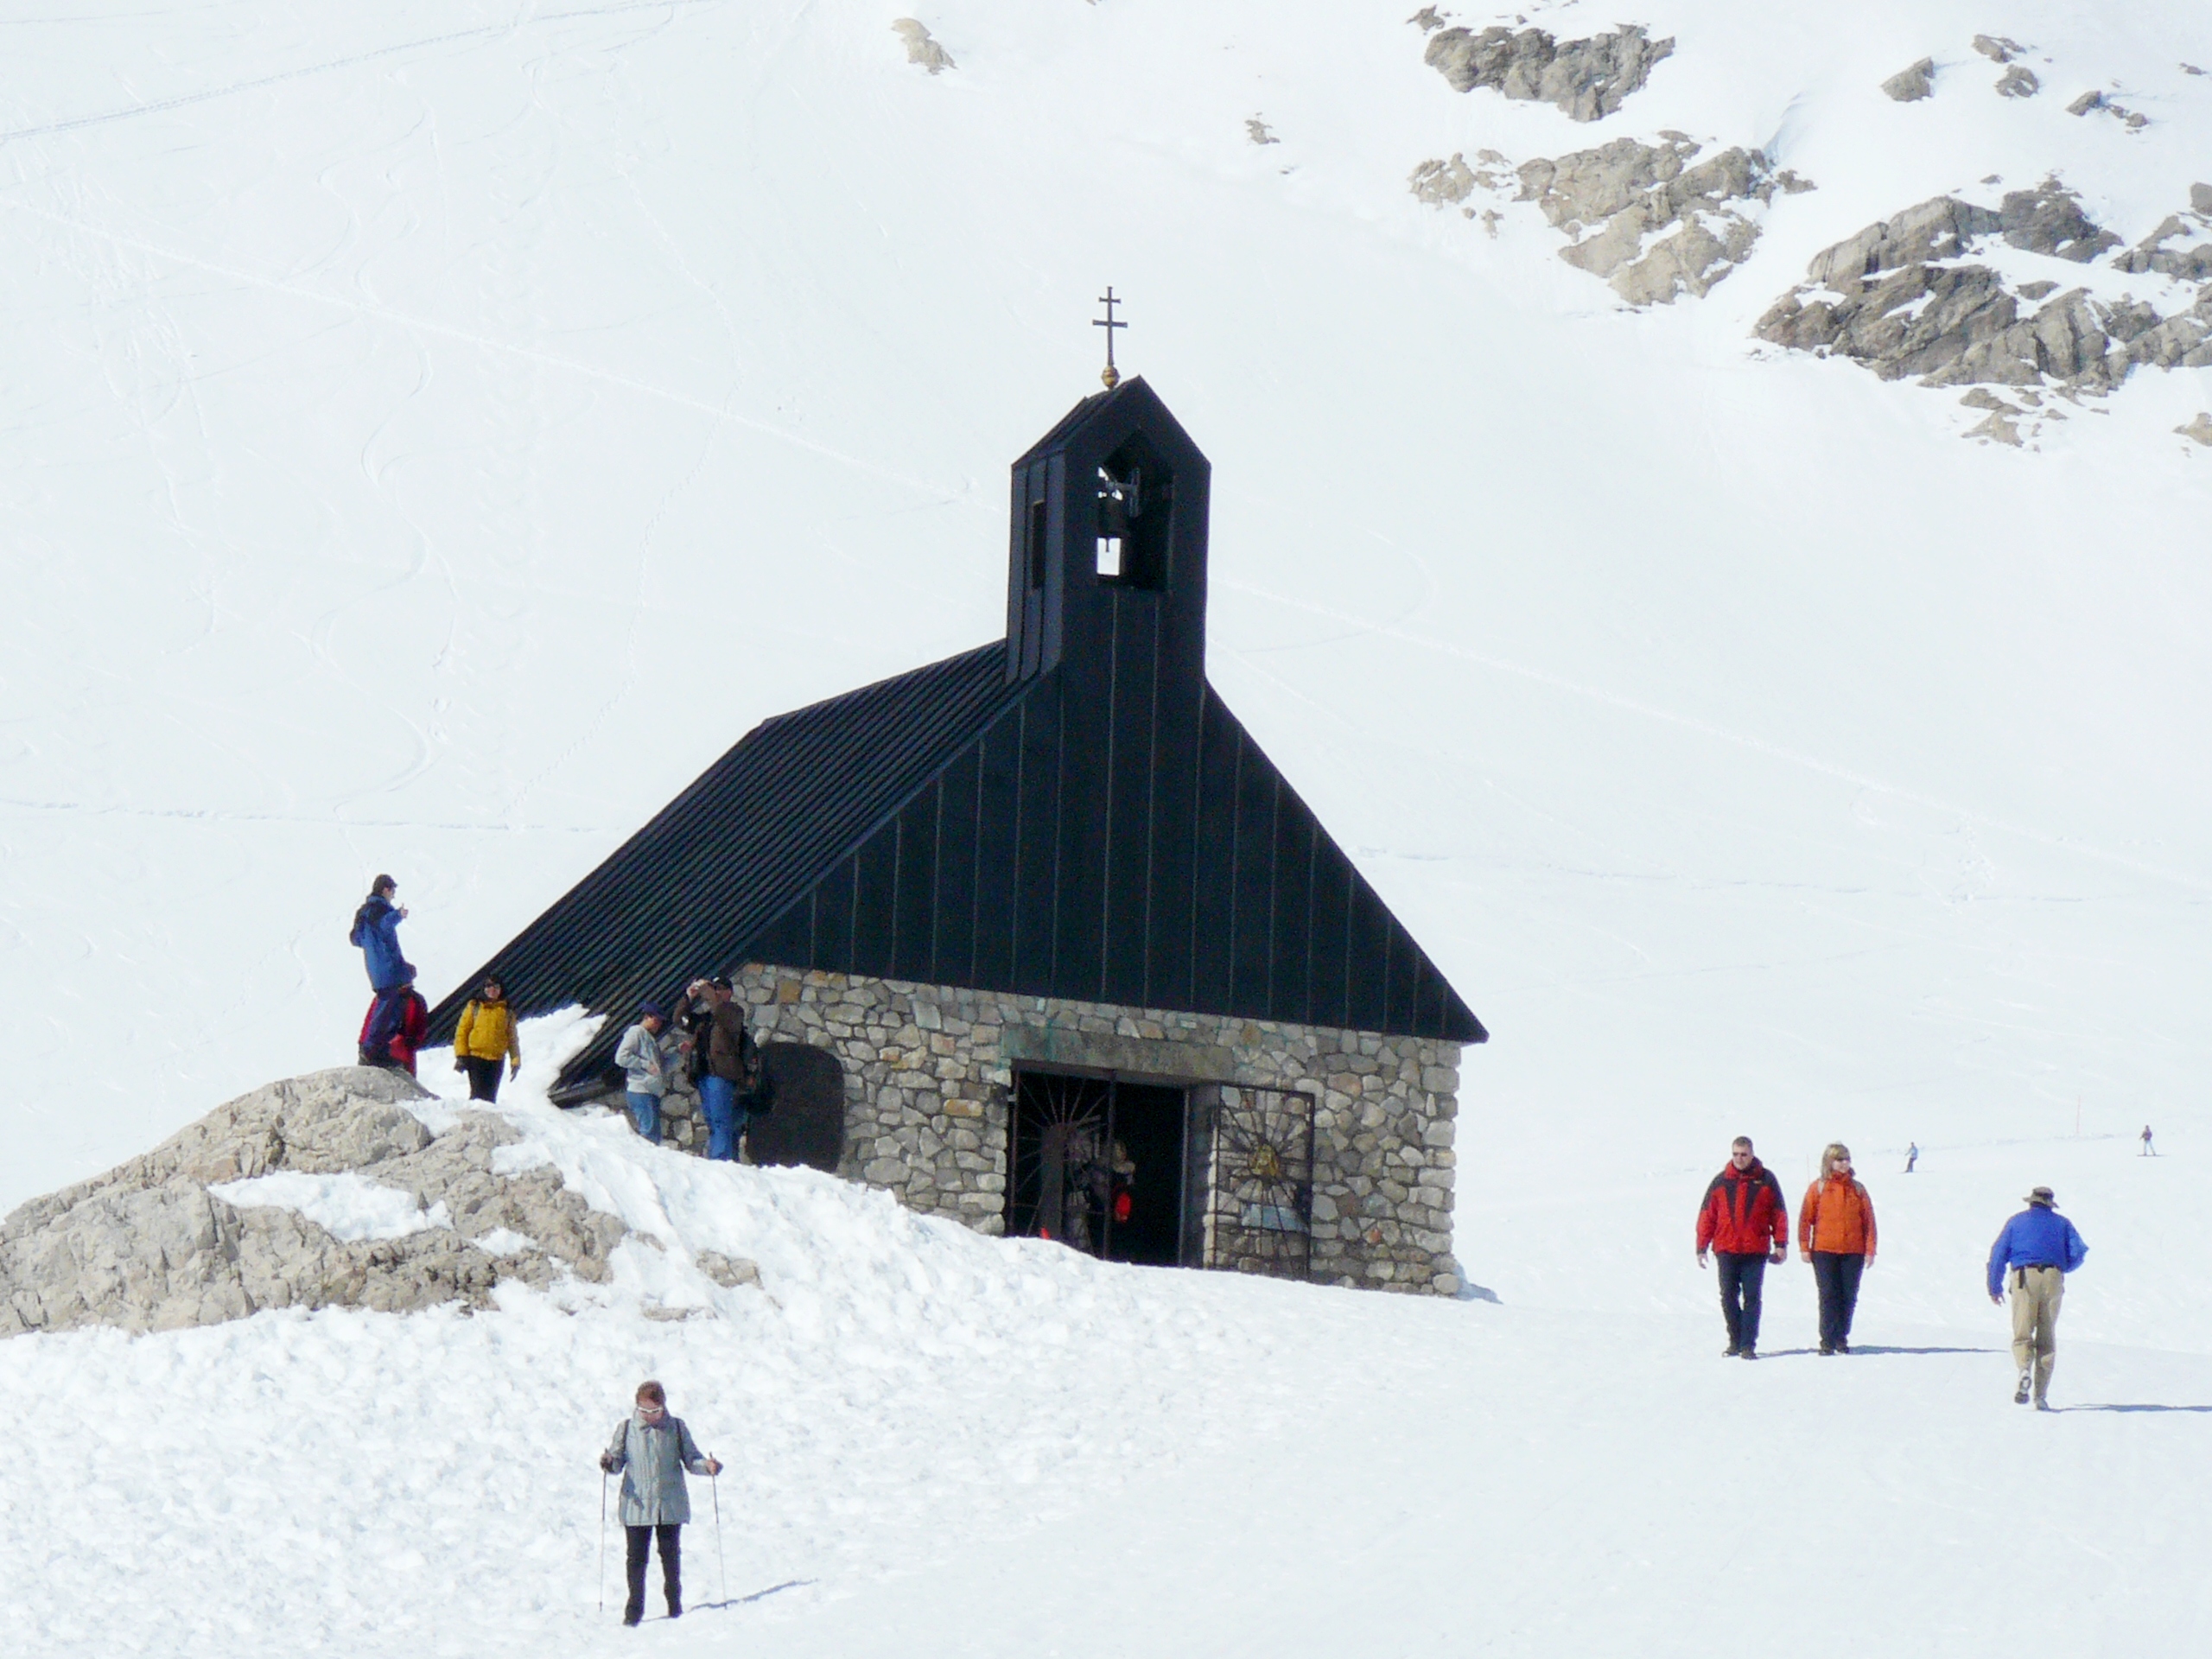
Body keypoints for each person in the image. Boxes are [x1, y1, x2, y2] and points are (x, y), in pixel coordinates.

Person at [598, 1381, 721, 1626]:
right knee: (636, 1560)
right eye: (644, 1410)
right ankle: (633, 1614)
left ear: (663, 1407)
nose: (650, 1416)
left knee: (671, 1556)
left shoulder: (676, 1428)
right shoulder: (626, 1429)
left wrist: (707, 1467)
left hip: (669, 1504)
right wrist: (608, 1462)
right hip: (637, 1506)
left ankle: (675, 1607)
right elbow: (617, 1461)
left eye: (655, 1411)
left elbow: (692, 1459)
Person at [1986, 1185, 2088, 1410]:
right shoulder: (2063, 1223)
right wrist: (2061, 1267)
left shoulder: (2016, 1222)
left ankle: (2024, 1368)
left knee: (2023, 1332)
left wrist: (1994, 1286)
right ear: (2050, 1204)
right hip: (2053, 1277)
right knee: (2046, 1335)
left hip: (2024, 1276)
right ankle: (2040, 1395)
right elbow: (2079, 1251)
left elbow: (1998, 1254)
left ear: (2031, 1202)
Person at [1694, 1136, 1789, 1359]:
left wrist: (1781, 1244)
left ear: (1752, 1154)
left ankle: (1748, 1344)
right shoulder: (1720, 1182)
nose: (1739, 1159)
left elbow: (1779, 1214)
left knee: (1752, 1297)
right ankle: (1734, 1340)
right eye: (1735, 1154)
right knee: (1728, 1296)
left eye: (1744, 1154)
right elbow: (1707, 1216)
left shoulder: (1766, 1180)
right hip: (1726, 1249)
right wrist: (1701, 1247)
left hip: (1755, 1250)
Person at [1800, 1142, 1877, 1355]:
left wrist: (1870, 1249)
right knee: (1828, 1294)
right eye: (1839, 1159)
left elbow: (1869, 1221)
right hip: (1824, 1250)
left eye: (1847, 1159)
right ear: (1829, 1162)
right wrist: (1805, 1246)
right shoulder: (1818, 1188)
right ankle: (1827, 1339)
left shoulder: (1858, 1189)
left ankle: (1841, 1336)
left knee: (1848, 1295)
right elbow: (1806, 1218)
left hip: (1853, 1251)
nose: (1844, 1163)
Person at [692, 976, 757, 1162]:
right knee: (712, 1120)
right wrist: (688, 999)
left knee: (721, 1120)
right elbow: (681, 1020)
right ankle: (718, 1156)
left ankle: (721, 1159)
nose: (716, 992)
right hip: (705, 1073)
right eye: (714, 989)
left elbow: (720, 1009)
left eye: (719, 989)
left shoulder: (733, 1012)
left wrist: (706, 991)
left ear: (729, 992)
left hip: (721, 1074)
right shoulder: (710, 1017)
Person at [451, 976, 521, 1103]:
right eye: (488, 987)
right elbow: (462, 1032)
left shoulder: (507, 1011)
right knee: (477, 1096)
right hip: (476, 1058)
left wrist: (515, 1061)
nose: (492, 990)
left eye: (496, 987)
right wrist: (461, 1055)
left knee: (490, 1098)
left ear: (501, 990)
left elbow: (512, 1039)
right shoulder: (475, 1007)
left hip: (496, 1060)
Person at [614, 1003, 671, 1142]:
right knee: (649, 1134)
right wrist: (644, 1064)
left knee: (654, 1133)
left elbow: (660, 1067)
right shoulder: (636, 1032)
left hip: (651, 1091)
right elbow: (621, 1057)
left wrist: (678, 1052)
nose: (659, 1025)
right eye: (656, 1020)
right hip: (641, 1090)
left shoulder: (649, 1038)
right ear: (648, 1017)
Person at [348, 875, 414, 993]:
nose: (393, 896)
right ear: (385, 890)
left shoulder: (362, 913)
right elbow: (384, 924)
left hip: (376, 978)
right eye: (392, 891)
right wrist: (398, 915)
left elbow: (355, 939)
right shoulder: (380, 908)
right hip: (391, 974)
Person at [358, 978, 429, 1077]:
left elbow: (420, 1027)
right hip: (376, 1048)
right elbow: (370, 1022)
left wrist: (412, 1041)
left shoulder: (415, 1000)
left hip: (401, 1052)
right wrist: (363, 1043)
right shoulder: (384, 998)